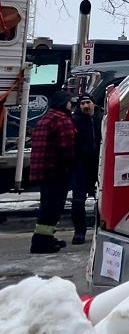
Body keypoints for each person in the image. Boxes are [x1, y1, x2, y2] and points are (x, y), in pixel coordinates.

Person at [29, 90, 77, 253]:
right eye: (70, 101)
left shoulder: (46, 118)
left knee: (47, 207)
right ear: (64, 103)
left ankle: (45, 238)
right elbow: (68, 148)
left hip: (44, 171)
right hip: (57, 172)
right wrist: (71, 166)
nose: (72, 105)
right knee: (53, 208)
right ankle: (42, 243)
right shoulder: (63, 120)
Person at [71, 94, 102, 244]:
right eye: (82, 103)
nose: (85, 106)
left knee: (102, 199)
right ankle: (79, 232)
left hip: (100, 163)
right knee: (78, 200)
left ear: (94, 104)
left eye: (88, 102)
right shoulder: (75, 120)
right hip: (81, 164)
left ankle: (101, 229)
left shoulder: (102, 118)